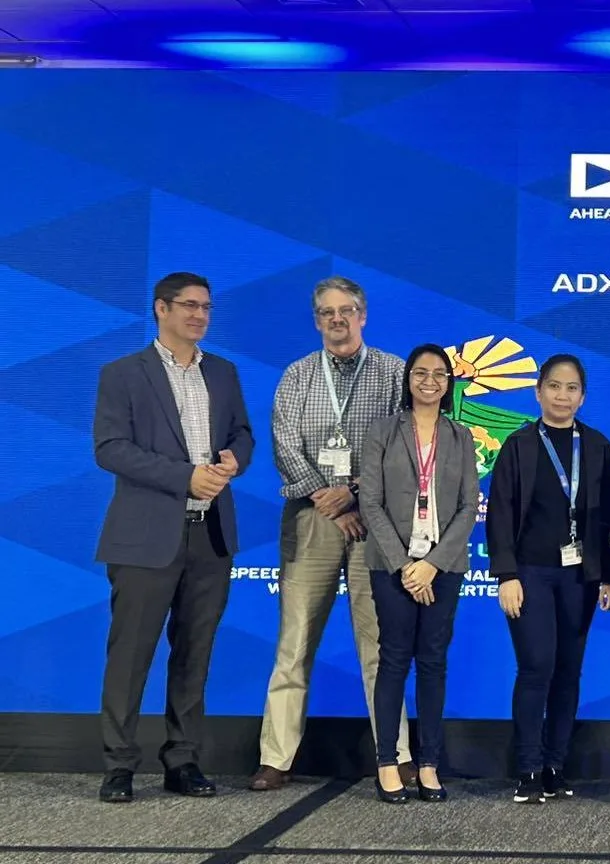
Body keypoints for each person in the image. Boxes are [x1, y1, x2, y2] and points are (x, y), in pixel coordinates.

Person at [93, 272, 254, 803]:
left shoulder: (224, 372)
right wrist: (185, 477)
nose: (199, 315)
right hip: (145, 538)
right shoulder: (122, 374)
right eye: (189, 306)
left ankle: (182, 760)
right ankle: (119, 764)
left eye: (206, 307)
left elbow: (242, 434)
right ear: (160, 309)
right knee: (130, 655)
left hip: (210, 536)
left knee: (194, 654)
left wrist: (234, 460)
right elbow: (110, 448)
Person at [251, 277, 415, 792]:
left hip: (376, 522)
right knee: (294, 642)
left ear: (363, 316)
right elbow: (283, 443)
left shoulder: (393, 373)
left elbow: (404, 443)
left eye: (346, 310)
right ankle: (276, 758)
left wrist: (355, 493)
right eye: (327, 312)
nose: (337, 319)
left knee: (380, 645)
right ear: (317, 319)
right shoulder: (297, 375)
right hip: (311, 518)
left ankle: (395, 754)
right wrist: (328, 499)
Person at [485, 354, 610, 804]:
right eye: (554, 386)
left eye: (572, 388)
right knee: (536, 666)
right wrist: (506, 574)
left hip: (581, 576)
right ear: (538, 391)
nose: (563, 396)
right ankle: (527, 768)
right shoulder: (519, 445)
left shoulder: (598, 446)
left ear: (582, 397)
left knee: (568, 671)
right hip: (530, 574)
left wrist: (608, 577)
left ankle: (554, 766)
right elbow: (500, 513)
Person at [359, 344, 480, 803]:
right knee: (393, 660)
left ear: (449, 383)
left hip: (442, 567)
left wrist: (431, 565)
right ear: (408, 379)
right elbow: (370, 502)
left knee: (433, 662)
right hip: (392, 566)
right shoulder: (382, 431)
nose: (430, 381)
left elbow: (469, 506)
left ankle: (428, 762)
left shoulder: (461, 436)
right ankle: (387, 762)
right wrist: (406, 566)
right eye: (421, 373)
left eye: (439, 374)